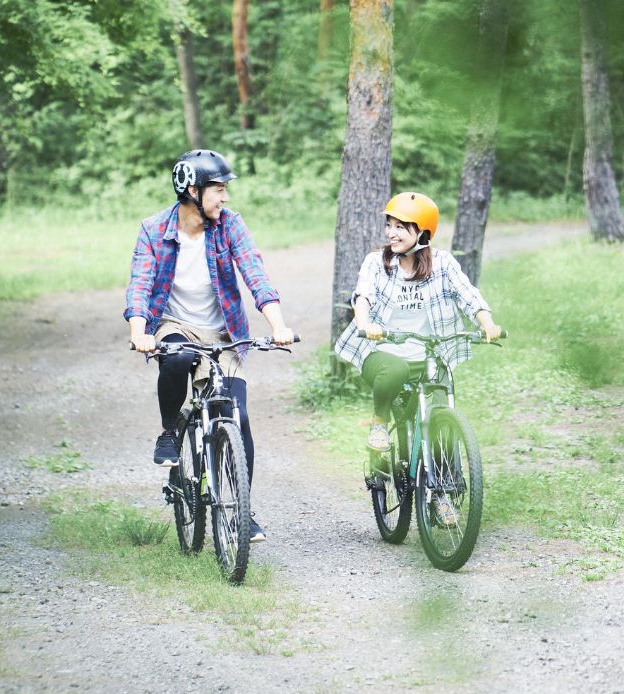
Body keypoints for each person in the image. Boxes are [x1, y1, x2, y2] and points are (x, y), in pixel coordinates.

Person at [124, 149, 296, 543]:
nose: (225, 198)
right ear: (191, 190)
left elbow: (255, 273)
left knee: (238, 414)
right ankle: (170, 431)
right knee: (177, 357)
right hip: (174, 324)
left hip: (223, 330)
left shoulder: (230, 225)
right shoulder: (154, 230)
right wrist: (139, 331)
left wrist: (279, 325)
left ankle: (243, 510)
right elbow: (140, 285)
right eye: (218, 189)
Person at [333, 191, 502, 475]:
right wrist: (365, 325)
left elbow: (468, 295)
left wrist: (487, 324)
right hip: (381, 355)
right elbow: (363, 296)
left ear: (423, 232)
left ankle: (442, 493)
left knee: (441, 419)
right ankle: (379, 422)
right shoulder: (377, 263)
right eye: (390, 225)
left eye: (401, 227)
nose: (391, 233)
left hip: (430, 358)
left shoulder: (442, 264)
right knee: (395, 369)